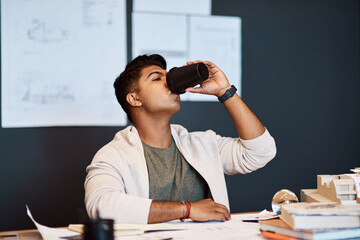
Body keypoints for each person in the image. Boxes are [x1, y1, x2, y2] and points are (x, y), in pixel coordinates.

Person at [84, 54, 276, 224]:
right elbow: (101, 207)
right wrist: (188, 209)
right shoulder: (112, 156)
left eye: (168, 76)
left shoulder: (202, 144)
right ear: (134, 99)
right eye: (157, 78)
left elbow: (260, 152)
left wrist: (225, 91)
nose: (169, 82)